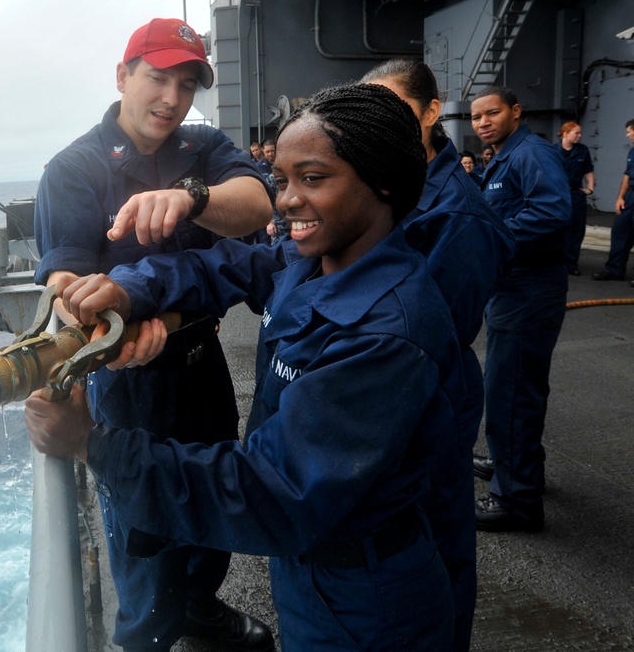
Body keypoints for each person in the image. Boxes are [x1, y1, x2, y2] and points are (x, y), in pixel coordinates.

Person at [26, 83, 463, 651]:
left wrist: (91, 444)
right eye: (281, 180)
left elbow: (272, 490)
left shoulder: (383, 334)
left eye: (312, 179)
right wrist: (127, 292)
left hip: (365, 597)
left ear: (382, 180)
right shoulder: (316, 260)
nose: (285, 201)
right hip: (314, 569)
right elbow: (224, 265)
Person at [32, 17, 274, 652]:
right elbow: (66, 280)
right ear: (123, 75)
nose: (172, 97)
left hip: (202, 360)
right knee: (143, 529)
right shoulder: (75, 169)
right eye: (157, 77)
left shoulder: (202, 147)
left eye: (187, 83)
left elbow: (256, 201)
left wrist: (190, 198)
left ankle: (198, 606)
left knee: (217, 487)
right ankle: (144, 638)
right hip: (129, 378)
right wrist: (117, 324)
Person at [361, 59, 514, 652]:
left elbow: (438, 333)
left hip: (430, 397)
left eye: (395, 110)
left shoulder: (459, 215)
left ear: (430, 113)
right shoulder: (381, 182)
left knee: (435, 536)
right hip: (377, 393)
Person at [469, 86, 570, 532]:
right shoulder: (504, 156)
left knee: (510, 391)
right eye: (476, 117)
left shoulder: (531, 153)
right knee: (517, 387)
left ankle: (517, 500)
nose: (483, 122)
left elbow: (552, 210)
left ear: (515, 111)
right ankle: (517, 467)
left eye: (492, 113)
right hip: (514, 288)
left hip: (528, 289)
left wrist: (491, 236)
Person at [591, 119, 634, 285]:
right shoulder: (632, 152)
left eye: (629, 131)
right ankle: (614, 270)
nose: (627, 134)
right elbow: (627, 176)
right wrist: (620, 197)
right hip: (630, 198)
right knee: (620, 232)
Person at [555, 122, 596, 276]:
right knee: (558, 228)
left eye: (580, 133)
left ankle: (571, 263)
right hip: (558, 195)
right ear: (565, 133)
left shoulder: (583, 151)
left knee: (577, 229)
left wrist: (590, 188)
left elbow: (588, 171)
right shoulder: (553, 150)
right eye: (576, 133)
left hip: (576, 194)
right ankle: (556, 262)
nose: (580, 135)